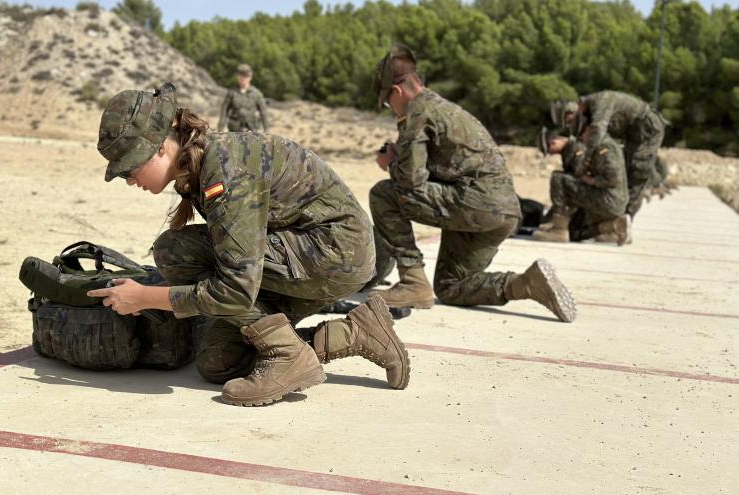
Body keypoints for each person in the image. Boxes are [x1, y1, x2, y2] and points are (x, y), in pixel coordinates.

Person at [88, 82, 410, 406]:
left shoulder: (223, 171)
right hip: (307, 256)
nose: (130, 180)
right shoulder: (198, 167)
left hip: (335, 255)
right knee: (218, 362)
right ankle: (355, 333)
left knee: (174, 251)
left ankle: (286, 353)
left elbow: (236, 289)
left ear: (159, 148)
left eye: (130, 168)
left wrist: (145, 297)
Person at [367, 45, 577, 323]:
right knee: (451, 286)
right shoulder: (445, 108)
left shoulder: (417, 113)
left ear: (397, 92)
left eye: (387, 103)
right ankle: (525, 284)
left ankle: (412, 282)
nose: (390, 109)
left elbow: (410, 182)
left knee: (384, 194)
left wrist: (391, 163)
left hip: (474, 204)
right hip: (502, 211)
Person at [554, 91, 666, 218]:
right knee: (626, 171)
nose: (570, 124)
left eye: (568, 120)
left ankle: (625, 219)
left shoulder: (601, 102)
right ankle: (618, 218)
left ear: (574, 110)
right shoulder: (589, 113)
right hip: (632, 134)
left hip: (646, 129)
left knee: (637, 172)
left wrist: (585, 163)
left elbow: (597, 132)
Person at [533, 128, 631, 245]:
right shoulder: (569, 150)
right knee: (573, 233)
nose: (550, 153)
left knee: (557, 178)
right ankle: (614, 227)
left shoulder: (576, 149)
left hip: (604, 200)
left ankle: (558, 231)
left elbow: (574, 186)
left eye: (549, 149)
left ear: (554, 141)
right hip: (603, 200)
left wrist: (556, 221)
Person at [217, 64, 269, 132]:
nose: (243, 78)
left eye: (246, 76)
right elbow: (224, 111)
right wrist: (220, 128)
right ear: (237, 77)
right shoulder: (231, 93)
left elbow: (264, 112)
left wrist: (266, 130)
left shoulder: (257, 94)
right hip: (234, 130)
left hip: (252, 129)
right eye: (241, 76)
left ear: (250, 77)